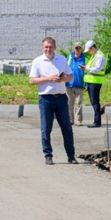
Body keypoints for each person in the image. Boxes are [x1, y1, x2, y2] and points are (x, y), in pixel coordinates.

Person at [29, 37, 77, 165]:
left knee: (67, 128)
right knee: (46, 129)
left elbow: (70, 75)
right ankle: (48, 155)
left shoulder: (61, 59)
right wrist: (48, 78)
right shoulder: (38, 61)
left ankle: (71, 156)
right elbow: (32, 81)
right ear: (42, 47)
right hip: (46, 98)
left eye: (50, 47)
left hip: (61, 98)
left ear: (55, 47)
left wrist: (63, 79)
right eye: (46, 47)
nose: (48, 49)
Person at [80, 40, 106, 128]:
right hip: (91, 82)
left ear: (93, 48)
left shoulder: (99, 56)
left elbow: (97, 69)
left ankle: (97, 121)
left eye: (89, 50)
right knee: (93, 102)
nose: (88, 52)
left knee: (95, 102)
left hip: (95, 82)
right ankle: (96, 120)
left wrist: (86, 68)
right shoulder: (94, 56)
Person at [66, 41, 86, 126]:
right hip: (69, 84)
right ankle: (70, 119)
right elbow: (65, 69)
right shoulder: (69, 57)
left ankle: (78, 120)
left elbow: (87, 71)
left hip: (79, 84)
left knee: (79, 102)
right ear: (74, 48)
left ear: (81, 49)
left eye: (79, 48)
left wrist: (87, 84)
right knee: (69, 102)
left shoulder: (85, 58)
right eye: (76, 48)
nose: (77, 50)